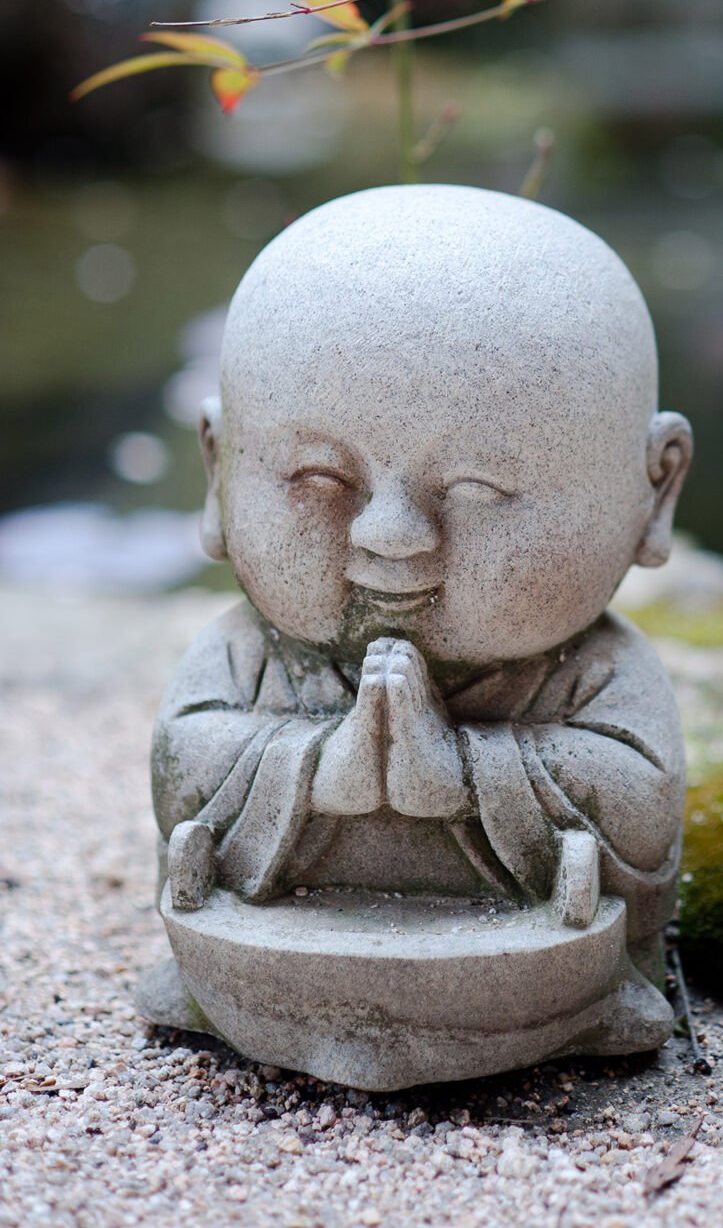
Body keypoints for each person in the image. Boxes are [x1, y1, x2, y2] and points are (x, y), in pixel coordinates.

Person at [143, 183, 692, 1046]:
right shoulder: (250, 655)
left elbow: (643, 807)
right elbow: (184, 764)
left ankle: (600, 1000)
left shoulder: (595, 671)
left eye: (476, 489)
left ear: (654, 491)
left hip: (551, 959)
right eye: (321, 480)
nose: (391, 536)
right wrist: (328, 763)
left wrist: (460, 772)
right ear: (218, 471)